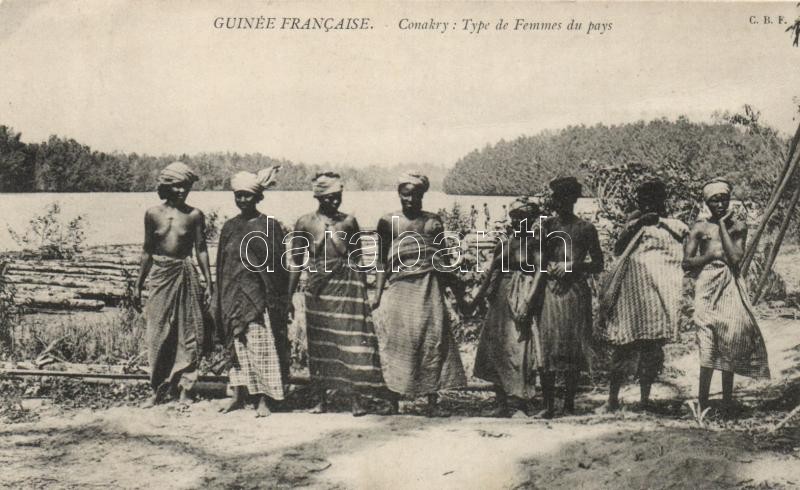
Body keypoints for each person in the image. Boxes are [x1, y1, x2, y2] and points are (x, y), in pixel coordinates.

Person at [288, 172, 385, 416]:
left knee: (349, 341)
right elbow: (297, 262)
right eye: (329, 198)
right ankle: (321, 399)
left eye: (338, 197)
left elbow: (357, 258)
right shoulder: (304, 223)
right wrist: (288, 295)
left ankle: (357, 399)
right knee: (321, 343)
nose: (334, 202)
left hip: (347, 288)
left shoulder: (348, 222)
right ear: (318, 197)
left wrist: (363, 292)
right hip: (318, 292)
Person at [373, 172, 468, 416]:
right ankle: (392, 399)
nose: (410, 200)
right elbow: (382, 261)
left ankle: (432, 401)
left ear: (423, 195)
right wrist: (378, 294)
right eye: (405, 195)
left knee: (432, 339)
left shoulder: (433, 222)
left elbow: (443, 259)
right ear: (399, 195)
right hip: (399, 288)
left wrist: (456, 294)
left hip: (429, 287)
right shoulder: (388, 222)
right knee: (395, 341)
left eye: (415, 195)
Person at [597, 180, 688, 412]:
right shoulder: (634, 224)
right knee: (623, 345)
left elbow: (678, 257)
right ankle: (612, 400)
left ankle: (645, 400)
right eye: (643, 201)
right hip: (631, 296)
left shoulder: (674, 226)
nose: (647, 205)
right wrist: (636, 224)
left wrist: (662, 224)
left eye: (652, 201)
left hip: (658, 295)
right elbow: (619, 250)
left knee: (651, 348)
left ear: (661, 201)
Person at [683, 179, 770, 414]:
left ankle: (727, 402)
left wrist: (722, 225)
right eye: (714, 200)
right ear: (707, 202)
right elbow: (687, 263)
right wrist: (709, 257)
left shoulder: (738, 227)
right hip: (706, 286)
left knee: (729, 339)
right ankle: (703, 402)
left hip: (729, 283)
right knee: (707, 343)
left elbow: (735, 258)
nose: (720, 203)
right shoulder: (699, 228)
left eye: (723, 199)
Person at [134, 161, 213, 407]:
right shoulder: (152, 214)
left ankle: (186, 389)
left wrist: (208, 282)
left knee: (187, 333)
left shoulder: (194, 215)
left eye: (186, 187)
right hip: (160, 275)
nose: (181, 191)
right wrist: (138, 285)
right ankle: (157, 388)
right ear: (166, 187)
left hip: (184, 272)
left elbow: (200, 250)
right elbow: (147, 250)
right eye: (177, 186)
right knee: (157, 332)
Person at [215, 167, 290, 417]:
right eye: (239, 195)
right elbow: (221, 264)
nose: (243, 200)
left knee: (261, 347)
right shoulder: (229, 227)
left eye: (248, 195)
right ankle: (238, 394)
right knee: (235, 348)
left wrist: (278, 299)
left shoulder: (269, 225)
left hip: (258, 297)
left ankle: (265, 399)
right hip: (231, 295)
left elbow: (279, 266)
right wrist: (218, 296)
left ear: (258, 197)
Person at [469, 197, 545, 417]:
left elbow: (541, 272)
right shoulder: (505, 243)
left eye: (523, 218)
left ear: (531, 220)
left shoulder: (535, 243)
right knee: (496, 348)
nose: (518, 222)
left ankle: (520, 403)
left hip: (522, 294)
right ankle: (501, 402)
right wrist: (476, 299)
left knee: (518, 348)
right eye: (515, 218)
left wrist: (528, 301)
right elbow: (492, 272)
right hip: (500, 297)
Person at [536, 176, 604, 418]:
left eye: (565, 197)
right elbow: (534, 260)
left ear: (574, 199)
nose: (560, 202)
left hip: (575, 291)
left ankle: (569, 403)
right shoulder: (545, 227)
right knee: (549, 345)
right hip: (550, 290)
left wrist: (573, 266)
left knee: (573, 346)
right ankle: (548, 404)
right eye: (557, 198)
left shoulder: (586, 229)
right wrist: (549, 267)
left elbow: (598, 264)